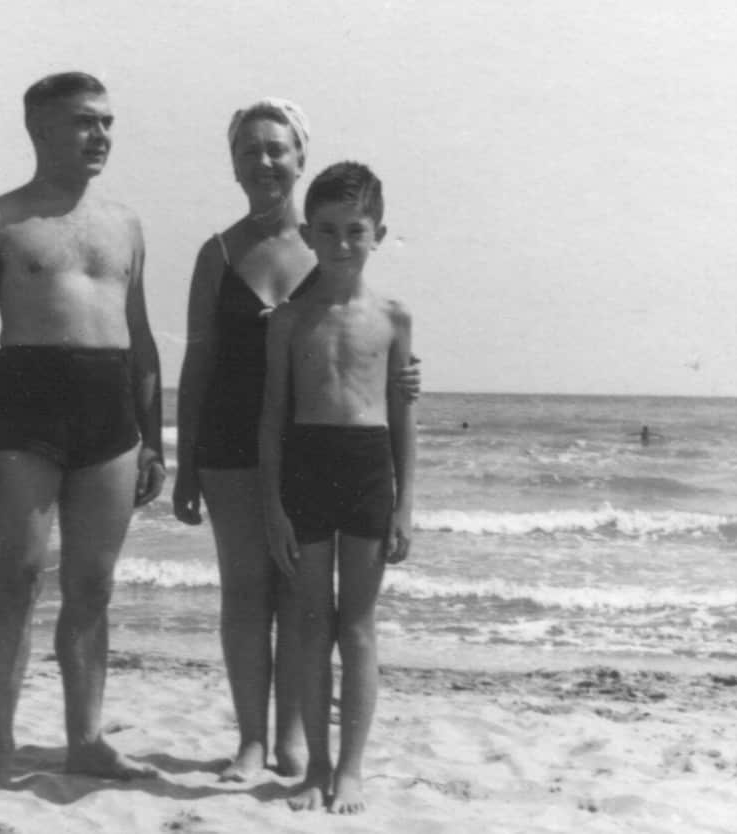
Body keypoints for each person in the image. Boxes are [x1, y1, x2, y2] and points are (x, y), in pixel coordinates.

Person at [174, 98, 419, 782]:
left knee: (300, 597)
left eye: (276, 148)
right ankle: (251, 739)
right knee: (245, 590)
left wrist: (408, 378)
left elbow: (369, 338)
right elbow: (198, 362)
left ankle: (291, 742)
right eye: (249, 149)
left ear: (300, 156)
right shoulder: (216, 253)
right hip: (230, 440)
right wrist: (185, 461)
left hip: (313, 444)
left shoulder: (327, 246)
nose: (264, 161)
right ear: (233, 163)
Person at [0, 71, 165, 784]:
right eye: (82, 122)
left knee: (93, 586)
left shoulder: (126, 222)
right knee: (18, 575)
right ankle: (0, 745)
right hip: (27, 405)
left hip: (111, 410)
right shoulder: (1, 219)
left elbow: (142, 337)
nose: (99, 135)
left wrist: (155, 440)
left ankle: (86, 740)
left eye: (106, 122)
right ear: (39, 131)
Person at [259, 162, 415, 815]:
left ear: (380, 232)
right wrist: (270, 504)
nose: (343, 244)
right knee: (310, 623)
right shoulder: (288, 320)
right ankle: (315, 768)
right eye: (328, 231)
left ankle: (350, 770)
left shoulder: (394, 317)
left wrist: (406, 503)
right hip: (307, 466)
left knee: (356, 625)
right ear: (307, 233)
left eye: (356, 230)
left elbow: (404, 416)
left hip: (368, 466)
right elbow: (271, 416)